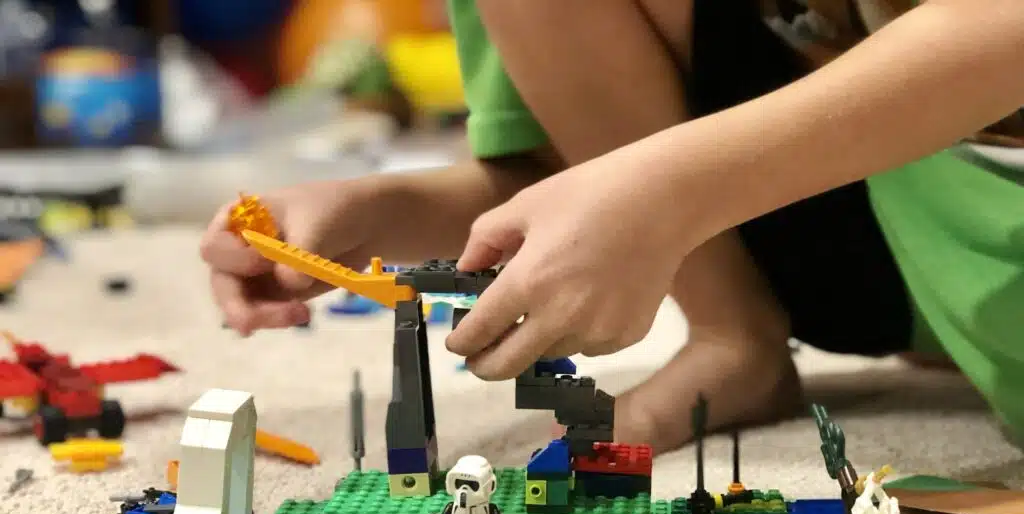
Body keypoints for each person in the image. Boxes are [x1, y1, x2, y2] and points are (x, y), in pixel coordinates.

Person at [202, 0, 1024, 453]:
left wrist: (667, 192)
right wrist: (387, 211)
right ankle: (730, 336)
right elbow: (583, 177)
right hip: (844, 221)